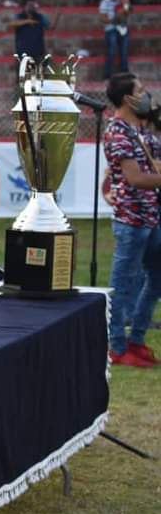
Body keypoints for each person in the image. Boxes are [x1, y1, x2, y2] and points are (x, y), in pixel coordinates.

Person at [102, 72, 161, 367]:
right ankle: (117, 346)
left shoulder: (141, 130)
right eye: (141, 90)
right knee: (122, 287)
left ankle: (136, 340)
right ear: (128, 98)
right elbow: (135, 178)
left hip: (152, 218)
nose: (146, 94)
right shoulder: (117, 132)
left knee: (156, 280)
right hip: (132, 220)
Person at [100, 0, 132, 80]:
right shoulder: (104, 2)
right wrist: (115, 18)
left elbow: (127, 14)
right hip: (111, 29)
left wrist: (126, 4)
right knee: (112, 51)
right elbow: (103, 18)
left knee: (124, 51)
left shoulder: (121, 1)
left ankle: (125, 73)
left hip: (123, 29)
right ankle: (108, 74)